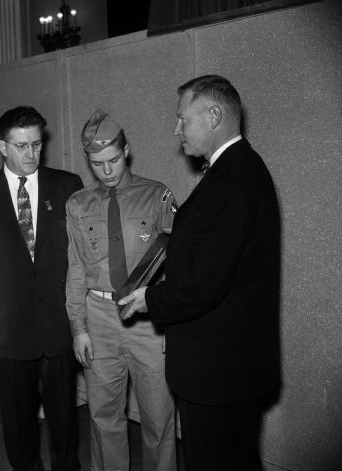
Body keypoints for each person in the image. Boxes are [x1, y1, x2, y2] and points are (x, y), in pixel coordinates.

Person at [118, 75, 281, 471]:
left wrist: (149, 299)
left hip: (218, 372)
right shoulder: (237, 169)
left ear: (213, 116)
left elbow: (206, 282)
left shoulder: (231, 181)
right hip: (229, 367)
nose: (177, 130)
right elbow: (220, 251)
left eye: (182, 120)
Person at [0, 106, 83, 471]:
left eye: (36, 144)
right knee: (18, 421)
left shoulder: (67, 185)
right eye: (20, 146)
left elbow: (80, 258)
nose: (31, 154)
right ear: (2, 146)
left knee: (65, 418)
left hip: (59, 323)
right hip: (8, 327)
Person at [65, 109, 177, 471]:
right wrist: (78, 328)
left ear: (126, 150)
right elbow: (77, 269)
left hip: (146, 318)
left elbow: (180, 261)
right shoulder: (78, 205)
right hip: (99, 319)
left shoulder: (157, 195)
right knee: (103, 416)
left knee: (158, 417)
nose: (107, 170)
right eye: (97, 164)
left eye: (113, 159)